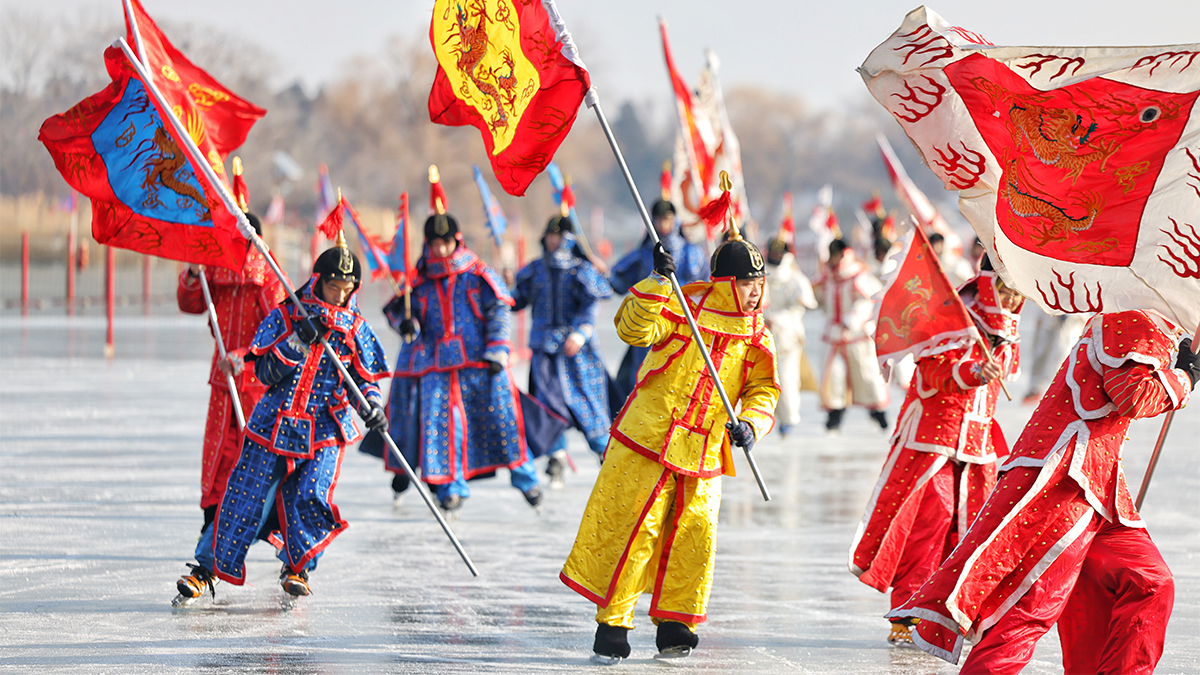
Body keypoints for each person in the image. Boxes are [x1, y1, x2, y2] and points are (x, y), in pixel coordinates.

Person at [888, 310, 1198, 674]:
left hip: (1099, 488)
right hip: (1062, 483)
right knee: (1027, 609)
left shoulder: (1147, 322)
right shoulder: (1132, 317)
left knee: (1149, 581)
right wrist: (1184, 376)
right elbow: (1132, 393)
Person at [560, 219, 779, 663]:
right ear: (724, 283)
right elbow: (633, 330)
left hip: (705, 451)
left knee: (694, 539)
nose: (754, 292)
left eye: (759, 283)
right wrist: (658, 282)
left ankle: (676, 625)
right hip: (649, 440)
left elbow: (764, 389)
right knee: (633, 531)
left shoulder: (757, 332)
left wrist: (751, 423)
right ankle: (614, 624)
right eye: (745, 283)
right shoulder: (683, 308)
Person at [174, 233, 389, 602]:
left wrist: (371, 406)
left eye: (347, 288)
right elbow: (266, 372)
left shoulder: (356, 328)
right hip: (274, 421)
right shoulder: (289, 313)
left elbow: (363, 381)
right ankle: (206, 568)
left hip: (323, 428)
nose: (339, 295)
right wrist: (298, 342)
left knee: (311, 496)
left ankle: (297, 567)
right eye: (333, 286)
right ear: (318, 280)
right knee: (245, 494)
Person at [849, 261, 1023, 645]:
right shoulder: (952, 314)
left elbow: (1006, 378)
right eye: (1005, 290)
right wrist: (970, 372)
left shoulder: (1007, 328)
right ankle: (909, 609)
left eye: (1017, 292)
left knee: (970, 526)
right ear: (988, 284)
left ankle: (949, 611)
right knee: (931, 518)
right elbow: (929, 374)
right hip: (934, 435)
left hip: (977, 442)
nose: (1011, 300)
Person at [382, 211, 541, 513]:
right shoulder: (420, 279)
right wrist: (406, 323)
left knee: (503, 421)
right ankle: (449, 487)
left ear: (456, 240)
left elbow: (499, 309)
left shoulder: (477, 272)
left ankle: (526, 478)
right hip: (435, 365)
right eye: (434, 243)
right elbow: (403, 313)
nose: (440, 249)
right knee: (440, 426)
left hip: (479, 360)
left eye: (445, 242)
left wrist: (498, 349)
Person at [176, 212, 286, 532]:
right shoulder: (215, 267)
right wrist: (194, 274)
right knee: (218, 453)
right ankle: (212, 519)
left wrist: (243, 357)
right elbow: (191, 304)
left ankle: (263, 525)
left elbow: (278, 329)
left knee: (254, 455)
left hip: (256, 381)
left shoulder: (269, 276)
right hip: (222, 379)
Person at [510, 211, 613, 487]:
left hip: (577, 350)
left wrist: (581, 333)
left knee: (587, 404)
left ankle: (607, 456)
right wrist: (505, 286)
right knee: (548, 405)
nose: (554, 241)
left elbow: (592, 304)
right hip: (545, 351)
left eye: (559, 236)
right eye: (551, 235)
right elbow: (515, 301)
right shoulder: (535, 269)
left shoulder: (580, 269)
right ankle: (556, 455)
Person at [608, 195, 708, 405]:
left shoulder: (692, 253)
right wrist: (606, 274)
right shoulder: (643, 254)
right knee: (644, 376)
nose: (663, 224)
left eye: (667, 219)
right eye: (659, 219)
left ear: (675, 220)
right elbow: (618, 283)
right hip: (650, 323)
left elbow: (704, 287)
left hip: (683, 323)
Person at [813, 239, 890, 432]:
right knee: (834, 376)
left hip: (857, 335)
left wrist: (853, 319)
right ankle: (834, 416)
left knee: (866, 375)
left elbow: (868, 300)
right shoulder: (828, 277)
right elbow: (820, 300)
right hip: (834, 335)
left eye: (835, 255)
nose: (832, 259)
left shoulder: (857, 275)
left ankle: (878, 413)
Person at [762, 235, 817, 436]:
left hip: (787, 337)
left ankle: (789, 418)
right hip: (763, 333)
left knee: (786, 378)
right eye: (773, 251)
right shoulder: (761, 274)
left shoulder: (795, 278)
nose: (776, 255)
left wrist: (779, 319)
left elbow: (798, 309)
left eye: (779, 252)